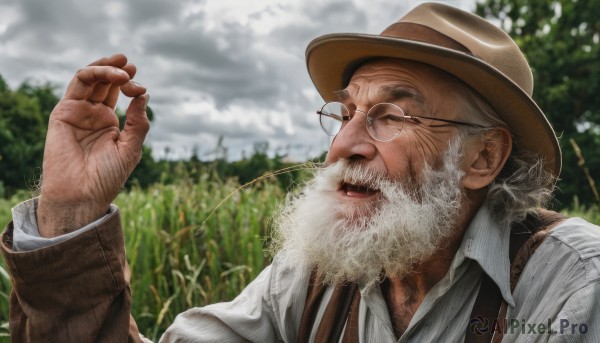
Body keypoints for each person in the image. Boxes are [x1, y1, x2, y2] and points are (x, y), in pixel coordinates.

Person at [1, 2, 599, 342]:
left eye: (391, 114)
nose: (343, 144)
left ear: (483, 159)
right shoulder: (317, 276)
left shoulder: (574, 285)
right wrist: (70, 209)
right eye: (345, 113)